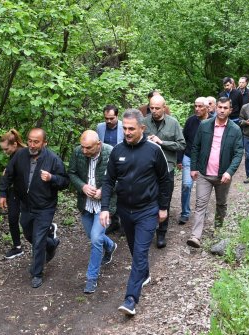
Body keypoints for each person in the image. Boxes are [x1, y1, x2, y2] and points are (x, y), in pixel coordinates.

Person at [100, 109, 172, 316]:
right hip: (125, 211)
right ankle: (145, 274)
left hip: (147, 210)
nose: (127, 132)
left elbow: (164, 180)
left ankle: (131, 299)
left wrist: (163, 206)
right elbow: (108, 181)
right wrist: (105, 208)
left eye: (131, 128)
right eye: (125, 128)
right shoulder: (117, 151)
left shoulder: (154, 151)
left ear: (142, 128)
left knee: (140, 253)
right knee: (134, 249)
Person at [0, 128, 69, 288]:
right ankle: (51, 243)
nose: (32, 144)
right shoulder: (20, 155)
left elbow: (65, 181)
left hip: (45, 206)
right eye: (30, 140)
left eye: (36, 141)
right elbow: (8, 174)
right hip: (26, 205)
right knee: (29, 235)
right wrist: (3, 193)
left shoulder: (52, 159)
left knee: (38, 240)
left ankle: (36, 273)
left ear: (44, 143)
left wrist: (52, 178)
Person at [187, 97, 243, 248]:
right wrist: (193, 167)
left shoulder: (235, 129)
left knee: (221, 204)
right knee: (200, 204)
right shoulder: (205, 125)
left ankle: (218, 231)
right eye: (220, 107)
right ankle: (195, 236)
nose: (222, 110)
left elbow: (239, 153)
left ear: (230, 110)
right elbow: (195, 147)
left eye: (226, 108)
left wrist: (229, 172)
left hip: (223, 176)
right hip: (204, 174)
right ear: (215, 108)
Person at [68, 130, 117, 294]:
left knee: (96, 239)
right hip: (86, 204)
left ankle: (91, 278)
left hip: (104, 206)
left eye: (88, 148)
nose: (84, 151)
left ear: (98, 144)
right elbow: (72, 173)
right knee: (92, 236)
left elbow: (121, 178)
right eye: (82, 147)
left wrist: (104, 190)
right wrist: (82, 186)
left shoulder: (111, 153)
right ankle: (110, 246)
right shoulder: (77, 152)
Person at [142, 94, 185, 248]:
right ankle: (147, 230)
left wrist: (162, 142)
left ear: (164, 107)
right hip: (148, 168)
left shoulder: (173, 123)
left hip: (167, 167)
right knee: (147, 199)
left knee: (164, 200)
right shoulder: (144, 122)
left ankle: (162, 233)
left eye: (157, 108)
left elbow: (181, 145)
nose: (154, 111)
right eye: (151, 108)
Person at [178, 97, 210, 225]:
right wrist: (179, 159)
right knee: (186, 185)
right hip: (189, 157)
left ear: (207, 107)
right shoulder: (190, 121)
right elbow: (182, 140)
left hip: (206, 160)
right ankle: (185, 212)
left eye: (200, 106)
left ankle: (201, 210)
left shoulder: (213, 121)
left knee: (205, 187)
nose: (197, 109)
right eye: (195, 106)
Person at [95, 105, 124, 235]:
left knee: (122, 191)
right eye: (106, 118)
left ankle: (123, 222)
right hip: (106, 163)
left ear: (117, 116)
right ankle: (113, 221)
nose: (108, 121)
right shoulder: (100, 127)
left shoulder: (124, 127)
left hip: (121, 162)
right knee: (109, 190)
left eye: (111, 118)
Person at [0, 129, 27, 259]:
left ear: (14, 144)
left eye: (6, 149)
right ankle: (17, 247)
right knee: (12, 218)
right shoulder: (14, 155)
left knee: (26, 220)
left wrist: (2, 194)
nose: (4, 152)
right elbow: (8, 175)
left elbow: (9, 175)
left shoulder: (23, 154)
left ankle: (48, 230)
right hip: (15, 192)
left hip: (26, 194)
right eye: (3, 149)